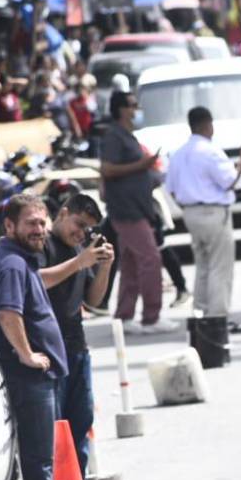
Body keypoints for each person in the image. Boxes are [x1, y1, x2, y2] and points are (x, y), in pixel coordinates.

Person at [0, 195, 69, 480]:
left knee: (45, 455)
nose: (40, 229)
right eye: (31, 222)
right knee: (41, 458)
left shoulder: (19, 259)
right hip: (29, 378)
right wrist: (27, 354)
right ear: (9, 226)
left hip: (41, 376)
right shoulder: (11, 264)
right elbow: (6, 312)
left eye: (43, 222)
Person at [39, 193, 114, 480]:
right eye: (79, 225)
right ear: (64, 212)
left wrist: (104, 266)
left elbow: (93, 301)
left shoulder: (78, 251)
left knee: (80, 423)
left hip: (77, 347)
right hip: (48, 351)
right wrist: (79, 262)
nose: (81, 234)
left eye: (87, 230)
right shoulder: (43, 246)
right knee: (54, 430)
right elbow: (35, 282)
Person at [165, 106, 241, 332]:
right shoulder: (211, 151)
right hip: (213, 212)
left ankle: (200, 313)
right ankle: (218, 318)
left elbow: (171, 189)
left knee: (203, 264)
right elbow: (229, 181)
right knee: (219, 266)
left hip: (190, 213)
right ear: (208, 125)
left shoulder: (178, 153)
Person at [100, 90, 176, 333]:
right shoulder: (113, 136)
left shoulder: (127, 136)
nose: (137, 109)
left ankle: (124, 318)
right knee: (150, 259)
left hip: (137, 208)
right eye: (133, 105)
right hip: (127, 210)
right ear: (121, 108)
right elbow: (108, 169)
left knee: (132, 263)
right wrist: (142, 165)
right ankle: (152, 316)